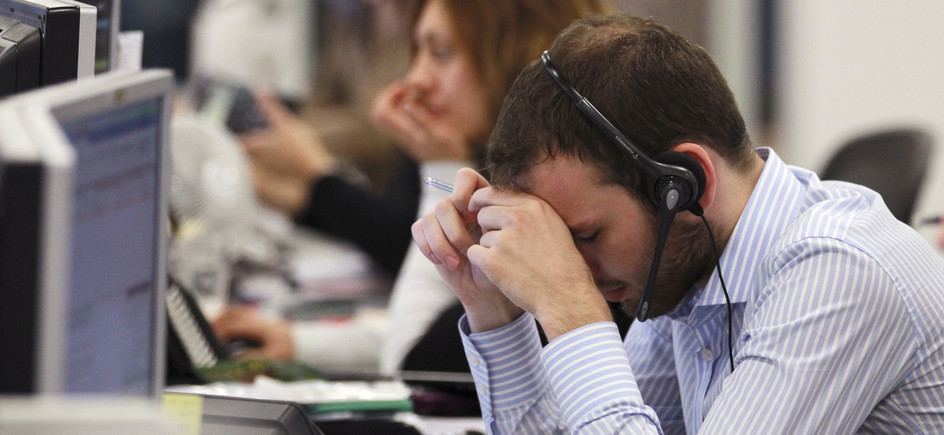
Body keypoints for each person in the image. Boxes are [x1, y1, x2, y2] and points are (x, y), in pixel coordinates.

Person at [412, 14, 944, 433]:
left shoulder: (841, 269)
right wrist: (495, 309)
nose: (574, 265)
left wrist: (570, 310)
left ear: (689, 184)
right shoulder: (687, 270)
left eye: (585, 236)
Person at [213, 0, 612, 374]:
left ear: (512, 56)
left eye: (439, 53)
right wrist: (300, 343)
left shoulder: (559, 211)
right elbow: (446, 331)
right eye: (417, 53)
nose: (415, 79)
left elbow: (413, 358)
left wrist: (434, 166)